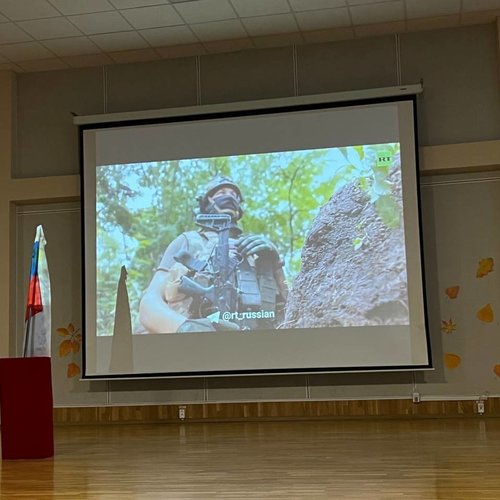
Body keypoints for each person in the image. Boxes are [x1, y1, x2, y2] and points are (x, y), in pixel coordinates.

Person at [138, 174, 288, 333]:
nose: (229, 197)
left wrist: (276, 264)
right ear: (206, 201)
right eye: (221, 193)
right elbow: (149, 305)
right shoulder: (189, 241)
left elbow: (291, 309)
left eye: (233, 195)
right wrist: (189, 329)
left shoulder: (257, 250)